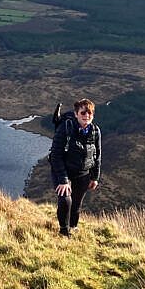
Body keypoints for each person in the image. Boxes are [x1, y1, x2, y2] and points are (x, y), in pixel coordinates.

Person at [49, 98, 102, 236]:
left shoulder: (95, 131)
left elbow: (97, 155)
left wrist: (95, 177)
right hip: (63, 170)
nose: (86, 115)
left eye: (89, 113)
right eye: (83, 112)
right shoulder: (65, 128)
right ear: (76, 114)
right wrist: (63, 180)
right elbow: (55, 155)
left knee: (76, 203)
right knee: (65, 199)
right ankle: (64, 231)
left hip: (83, 172)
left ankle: (73, 226)